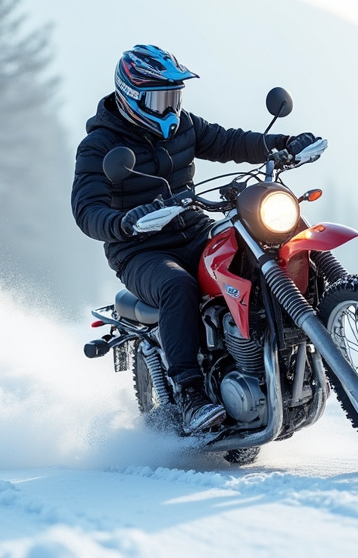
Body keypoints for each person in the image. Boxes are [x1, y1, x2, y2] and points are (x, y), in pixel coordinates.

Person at [72, 44, 319, 435]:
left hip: (193, 228)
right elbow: (86, 210)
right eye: (159, 98)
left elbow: (230, 141)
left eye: (175, 96)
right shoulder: (99, 146)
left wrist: (284, 144)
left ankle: (298, 338)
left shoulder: (184, 125)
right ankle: (189, 395)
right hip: (140, 250)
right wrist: (125, 223)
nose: (170, 108)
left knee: (255, 249)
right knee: (177, 285)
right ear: (130, 96)